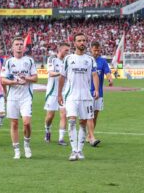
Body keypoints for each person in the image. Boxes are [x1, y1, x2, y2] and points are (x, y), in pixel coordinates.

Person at [58, 33, 99, 161]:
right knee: (71, 120)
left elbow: (94, 75)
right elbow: (62, 76)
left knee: (82, 122)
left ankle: (80, 151)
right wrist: (59, 94)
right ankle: (73, 150)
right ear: (74, 43)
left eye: (84, 40)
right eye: (79, 40)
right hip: (71, 95)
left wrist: (96, 89)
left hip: (86, 96)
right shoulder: (68, 59)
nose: (82, 42)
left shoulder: (90, 59)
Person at [2, 37, 38, 159]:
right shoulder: (8, 62)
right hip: (12, 97)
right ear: (12, 47)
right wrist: (14, 82)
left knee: (27, 123)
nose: (19, 46)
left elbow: (35, 78)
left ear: (24, 47)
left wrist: (25, 78)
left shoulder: (29, 61)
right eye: (16, 44)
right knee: (14, 123)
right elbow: (2, 80)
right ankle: (16, 149)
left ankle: (27, 144)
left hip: (26, 97)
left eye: (21, 44)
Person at [44, 42, 70, 146]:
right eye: (66, 50)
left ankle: (61, 139)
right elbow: (50, 73)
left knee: (64, 114)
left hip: (64, 92)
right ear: (60, 50)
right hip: (52, 92)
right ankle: (47, 130)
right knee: (50, 116)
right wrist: (61, 73)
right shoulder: (52, 59)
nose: (68, 52)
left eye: (68, 50)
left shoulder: (68, 61)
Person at [87, 41, 113, 147]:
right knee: (88, 116)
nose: (97, 52)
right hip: (87, 92)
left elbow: (107, 72)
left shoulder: (102, 61)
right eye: (95, 50)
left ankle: (90, 136)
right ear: (91, 50)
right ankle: (89, 136)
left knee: (95, 116)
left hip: (99, 93)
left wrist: (110, 79)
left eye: (98, 50)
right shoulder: (86, 60)